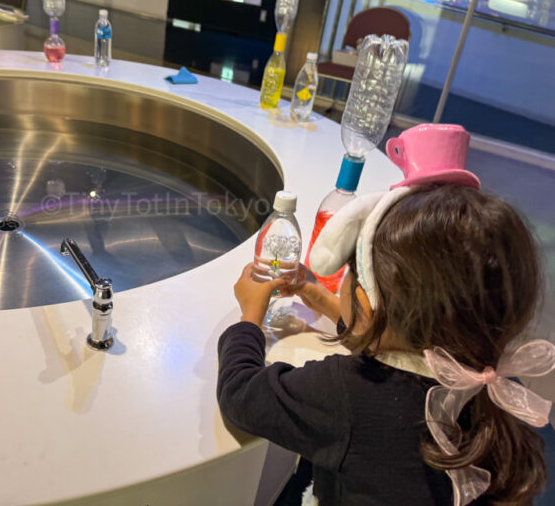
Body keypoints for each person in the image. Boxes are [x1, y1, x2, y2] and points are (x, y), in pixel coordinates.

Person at [217, 182, 555, 505]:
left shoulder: (344, 394)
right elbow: (395, 338)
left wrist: (250, 315)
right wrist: (322, 299)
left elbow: (241, 396)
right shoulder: (496, 381)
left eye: (352, 271)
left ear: (367, 300)